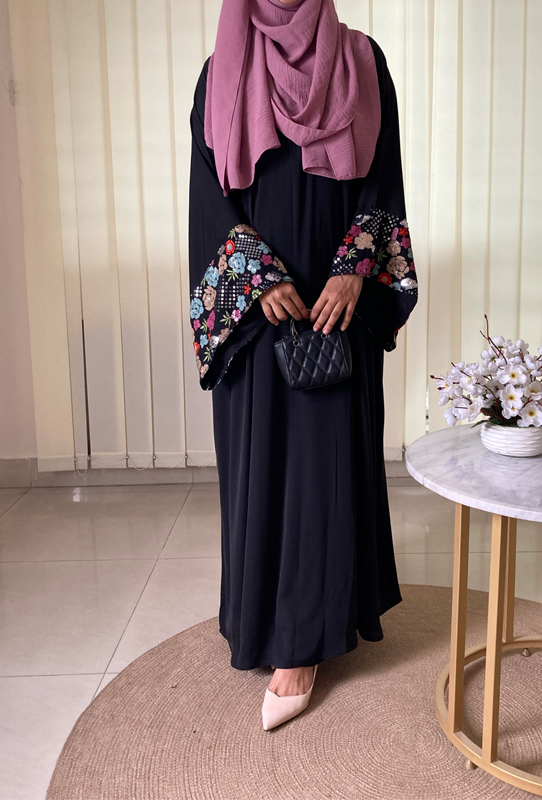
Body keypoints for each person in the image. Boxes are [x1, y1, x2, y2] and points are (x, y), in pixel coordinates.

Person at [188, 0, 418, 731]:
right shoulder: (220, 73)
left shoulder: (361, 61)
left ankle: (303, 642)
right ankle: (260, 618)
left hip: (335, 306)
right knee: (264, 466)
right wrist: (255, 278)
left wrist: (353, 270)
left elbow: (383, 180)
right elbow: (209, 195)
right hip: (262, 313)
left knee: (326, 468)